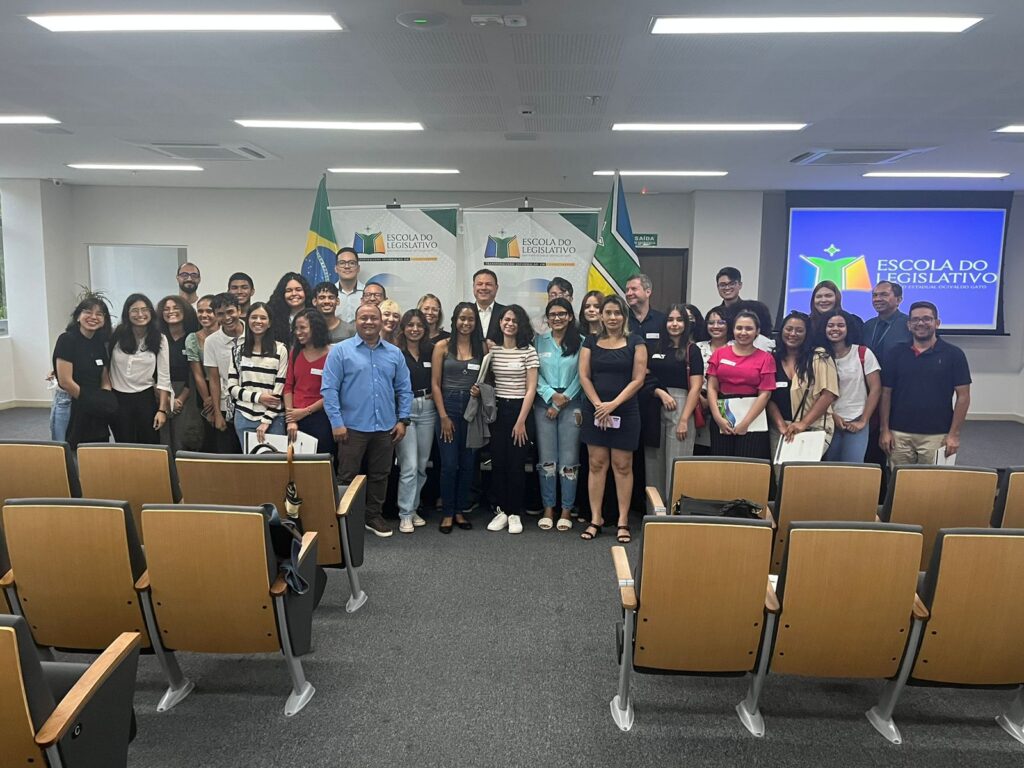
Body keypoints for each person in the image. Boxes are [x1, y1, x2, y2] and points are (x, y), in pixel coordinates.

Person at [322, 303, 413, 539]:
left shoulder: (394, 353)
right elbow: (329, 389)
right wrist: (336, 423)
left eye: (374, 318)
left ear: (381, 321)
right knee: (347, 476)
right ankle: (344, 520)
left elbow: (404, 389)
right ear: (356, 321)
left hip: (385, 427)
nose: (369, 322)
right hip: (351, 427)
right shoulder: (340, 351)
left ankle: (372, 516)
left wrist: (403, 420)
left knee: (380, 475)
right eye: (364, 318)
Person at [579, 295, 647, 544]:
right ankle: (596, 519)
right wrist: (599, 405)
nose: (612, 317)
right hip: (595, 411)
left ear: (624, 316)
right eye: (607, 312)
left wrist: (613, 405)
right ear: (600, 315)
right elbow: (584, 376)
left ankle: (622, 520)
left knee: (622, 465)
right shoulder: (591, 341)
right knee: (596, 464)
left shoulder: (636, 342)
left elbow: (638, 379)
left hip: (625, 411)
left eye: (617, 313)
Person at [880, 301, 971, 465]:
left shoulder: (954, 355)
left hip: (937, 435)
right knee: (900, 485)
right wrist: (884, 430)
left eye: (927, 319)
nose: (920, 323)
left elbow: (963, 397)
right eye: (915, 320)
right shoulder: (895, 353)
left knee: (934, 487)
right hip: (898, 435)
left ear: (937, 323)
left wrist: (954, 434)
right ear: (909, 325)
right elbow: (886, 393)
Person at [484, 305, 540, 535]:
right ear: (500, 322)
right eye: (506, 319)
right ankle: (502, 512)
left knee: (516, 464)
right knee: (498, 462)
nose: (509, 323)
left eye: (515, 320)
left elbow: (531, 388)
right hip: (498, 411)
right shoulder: (493, 351)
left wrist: (520, 421)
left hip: (521, 411)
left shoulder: (528, 351)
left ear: (521, 325)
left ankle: (515, 512)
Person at [431, 302, 484, 533]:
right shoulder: (442, 346)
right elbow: (434, 384)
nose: (466, 323)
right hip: (448, 407)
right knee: (449, 464)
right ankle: (447, 512)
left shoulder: (482, 347)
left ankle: (460, 511)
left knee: (468, 464)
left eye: (470, 319)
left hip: (472, 410)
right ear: (455, 320)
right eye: (462, 318)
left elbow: (488, 379)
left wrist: (481, 390)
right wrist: (443, 416)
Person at [642, 304, 704, 499]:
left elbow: (695, 387)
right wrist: (660, 392)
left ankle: (674, 515)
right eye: (670, 319)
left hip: (682, 407)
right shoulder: (655, 348)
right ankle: (655, 514)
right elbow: (645, 376)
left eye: (679, 320)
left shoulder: (692, 350)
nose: (674, 324)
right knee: (653, 464)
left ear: (686, 324)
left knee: (677, 464)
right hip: (654, 405)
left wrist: (684, 420)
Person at [533, 298, 582, 531]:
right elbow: (534, 374)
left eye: (562, 314)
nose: (557, 318)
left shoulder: (581, 343)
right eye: (552, 314)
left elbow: (582, 377)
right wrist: (550, 395)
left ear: (570, 316)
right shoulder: (538, 342)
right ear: (547, 318)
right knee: (547, 460)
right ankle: (548, 508)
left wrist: (562, 401)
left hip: (572, 404)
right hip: (544, 403)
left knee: (569, 460)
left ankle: (566, 510)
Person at [766, 311, 839, 461]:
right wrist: (781, 426)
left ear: (807, 334)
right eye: (788, 329)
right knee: (781, 478)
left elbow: (828, 394)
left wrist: (803, 424)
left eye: (799, 330)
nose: (793, 334)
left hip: (812, 428)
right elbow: (768, 397)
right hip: (780, 429)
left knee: (804, 478)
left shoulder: (820, 356)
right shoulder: (772, 358)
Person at [706, 310, 776, 459]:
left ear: (757, 331)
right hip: (723, 414)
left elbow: (765, 393)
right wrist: (718, 418)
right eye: (739, 328)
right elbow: (712, 387)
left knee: (748, 467)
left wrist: (746, 423)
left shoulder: (766, 358)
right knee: (721, 466)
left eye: (749, 328)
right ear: (733, 330)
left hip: (753, 416)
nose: (743, 332)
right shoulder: (720, 354)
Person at [108, 294, 172, 444]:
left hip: (145, 397)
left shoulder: (159, 338)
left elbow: (164, 376)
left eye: (144, 310)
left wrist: (162, 410)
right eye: (134, 310)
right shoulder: (117, 334)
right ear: (127, 313)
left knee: (149, 443)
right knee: (124, 442)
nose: (140, 314)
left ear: (151, 312)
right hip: (118, 398)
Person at [52, 293, 114, 448]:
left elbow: (104, 376)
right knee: (67, 455)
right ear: (78, 316)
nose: (93, 317)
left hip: (93, 404)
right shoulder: (67, 339)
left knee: (96, 451)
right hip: (71, 404)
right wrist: (91, 400)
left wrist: (105, 397)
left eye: (99, 314)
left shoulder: (100, 342)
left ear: (104, 320)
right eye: (88, 312)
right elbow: (65, 381)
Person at [394, 309, 436, 533]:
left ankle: (414, 507)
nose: (415, 329)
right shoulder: (396, 352)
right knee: (408, 466)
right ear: (403, 327)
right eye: (410, 325)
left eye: (419, 325)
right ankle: (405, 514)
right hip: (406, 409)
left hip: (428, 408)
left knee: (421, 465)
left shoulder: (430, 351)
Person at [822, 310, 881, 463]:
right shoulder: (819, 356)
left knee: (853, 471)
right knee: (829, 471)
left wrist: (863, 420)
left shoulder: (863, 353)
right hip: (828, 421)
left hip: (857, 421)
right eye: (830, 325)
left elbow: (876, 389)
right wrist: (833, 416)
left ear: (848, 328)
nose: (835, 329)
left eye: (841, 325)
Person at [228, 302, 288, 448]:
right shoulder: (238, 350)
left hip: (273, 418)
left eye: (263, 318)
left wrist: (266, 420)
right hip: (244, 416)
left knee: (274, 467)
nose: (258, 321)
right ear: (248, 320)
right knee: (250, 467)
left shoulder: (280, 350)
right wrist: (258, 397)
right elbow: (232, 388)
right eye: (254, 317)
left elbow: (280, 388)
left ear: (269, 323)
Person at [156, 295, 203, 453]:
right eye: (167, 309)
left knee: (185, 438)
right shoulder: (157, 339)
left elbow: (194, 372)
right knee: (163, 440)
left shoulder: (192, 338)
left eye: (176, 308)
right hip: (160, 393)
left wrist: (180, 399)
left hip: (187, 394)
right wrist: (164, 398)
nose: (171, 312)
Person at [284, 308, 333, 455]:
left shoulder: (332, 355)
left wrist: (305, 412)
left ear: (316, 327)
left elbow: (332, 393)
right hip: (295, 420)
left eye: (303, 328)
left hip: (321, 418)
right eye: (296, 329)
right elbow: (288, 387)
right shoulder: (295, 352)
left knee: (320, 465)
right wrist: (291, 418)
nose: (298, 332)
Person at [204, 293, 245, 453]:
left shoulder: (254, 334)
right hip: (226, 406)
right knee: (227, 455)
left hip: (252, 405)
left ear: (239, 310)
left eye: (230, 312)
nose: (227, 317)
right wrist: (217, 414)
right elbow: (213, 380)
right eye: (220, 314)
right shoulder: (211, 342)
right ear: (215, 316)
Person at [185, 294, 219, 451]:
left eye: (209, 311)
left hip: (227, 389)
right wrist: (208, 401)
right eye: (200, 311)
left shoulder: (228, 335)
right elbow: (197, 374)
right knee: (208, 438)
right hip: (204, 391)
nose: (204, 315)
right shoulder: (192, 339)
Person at [694, 307, 730, 454]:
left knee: (720, 449)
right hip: (698, 401)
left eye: (721, 322)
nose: (715, 326)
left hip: (726, 403)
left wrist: (712, 400)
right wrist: (700, 398)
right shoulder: (697, 347)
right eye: (711, 322)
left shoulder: (736, 347)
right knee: (700, 450)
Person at [712, 267, 775, 351]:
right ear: (718, 287)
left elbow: (765, 336)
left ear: (740, 285)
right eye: (722, 285)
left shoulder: (757, 308)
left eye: (732, 284)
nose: (727, 288)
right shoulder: (716, 313)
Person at [862, 281, 912, 363]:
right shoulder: (868, 325)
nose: (877, 299)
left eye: (884, 295)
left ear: (899, 300)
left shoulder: (909, 324)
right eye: (875, 295)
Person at [808, 280, 864, 344]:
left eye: (828, 296)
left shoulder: (854, 321)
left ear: (837, 298)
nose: (823, 300)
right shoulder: (806, 323)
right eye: (819, 296)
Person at [269, 272, 313, 346]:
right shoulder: (274, 316)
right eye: (289, 290)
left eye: (298, 290)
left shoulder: (315, 314)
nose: (294, 293)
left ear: (305, 292)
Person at [624, 274, 666, 344]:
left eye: (634, 289)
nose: (629, 293)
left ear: (648, 292)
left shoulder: (662, 320)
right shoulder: (622, 319)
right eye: (627, 290)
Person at [472, 268, 506, 342]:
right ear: (473, 287)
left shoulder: (506, 313)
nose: (483, 288)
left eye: (488, 284)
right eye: (479, 284)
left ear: (496, 288)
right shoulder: (465, 313)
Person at [334, 246, 365, 323]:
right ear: (336, 268)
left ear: (358, 268)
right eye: (342, 263)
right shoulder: (330, 294)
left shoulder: (367, 293)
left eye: (352, 263)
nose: (347, 267)